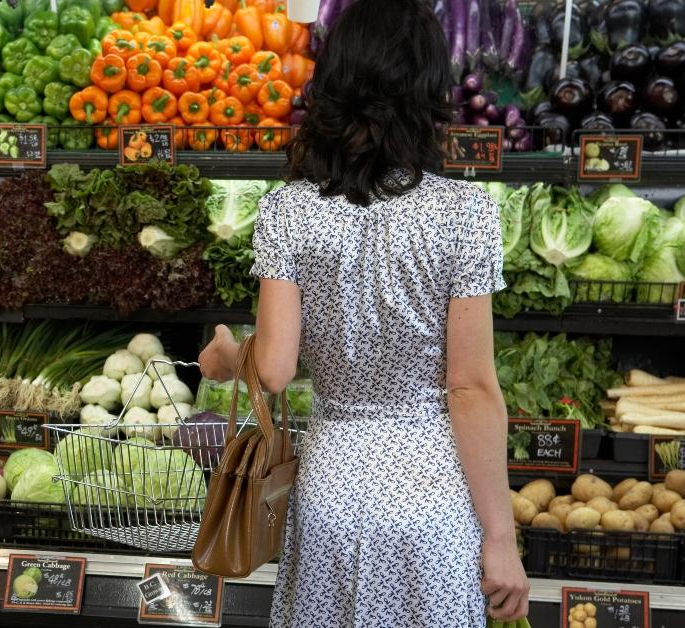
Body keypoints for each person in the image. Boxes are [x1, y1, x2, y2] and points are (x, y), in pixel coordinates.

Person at [197, 0, 529, 625]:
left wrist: (222, 356)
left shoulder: (288, 211)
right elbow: (470, 389)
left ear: (335, 85)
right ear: (430, 91)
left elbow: (272, 368)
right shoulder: (466, 213)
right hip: (431, 500)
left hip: (330, 493)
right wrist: (501, 538)